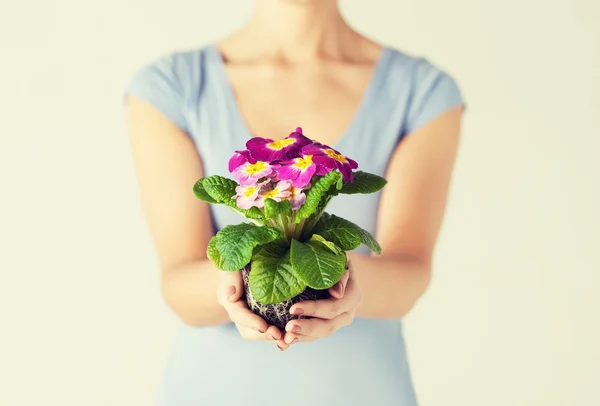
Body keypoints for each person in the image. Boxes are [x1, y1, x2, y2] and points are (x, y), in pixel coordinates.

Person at [124, 0, 464, 405]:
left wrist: (341, 284)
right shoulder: (171, 87)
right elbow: (179, 285)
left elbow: (410, 274)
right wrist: (234, 283)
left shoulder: (422, 90)